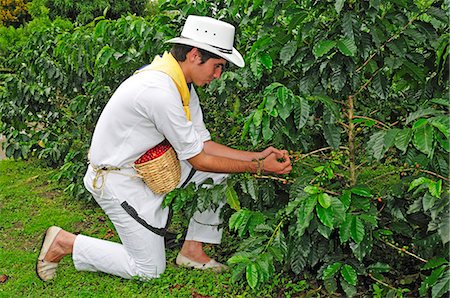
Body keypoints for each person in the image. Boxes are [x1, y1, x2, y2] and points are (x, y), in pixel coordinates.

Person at [36, 15, 292, 282]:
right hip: (118, 181)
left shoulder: (181, 85)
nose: (218, 75)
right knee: (149, 270)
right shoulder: (158, 90)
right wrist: (260, 167)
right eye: (217, 66)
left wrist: (257, 156)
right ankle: (65, 242)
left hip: (145, 170)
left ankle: (193, 251)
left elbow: (203, 144)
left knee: (219, 175)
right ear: (194, 55)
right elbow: (200, 159)